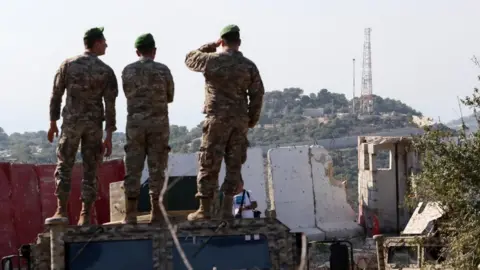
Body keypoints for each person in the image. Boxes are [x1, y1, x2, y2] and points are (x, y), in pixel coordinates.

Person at [184, 24, 265, 221]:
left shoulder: (211, 60)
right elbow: (257, 94)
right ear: (239, 42)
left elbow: (189, 59)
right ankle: (227, 210)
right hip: (239, 121)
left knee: (209, 162)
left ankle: (204, 209)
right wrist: (251, 120)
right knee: (234, 164)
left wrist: (210, 45)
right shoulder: (248, 66)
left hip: (217, 119)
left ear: (223, 41)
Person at [47, 27, 118, 225]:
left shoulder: (68, 65)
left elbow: (56, 95)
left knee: (64, 165)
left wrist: (53, 123)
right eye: (104, 42)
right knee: (91, 168)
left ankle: (61, 209)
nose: (106, 45)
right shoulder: (106, 71)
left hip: (71, 123)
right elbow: (110, 106)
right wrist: (109, 135)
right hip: (94, 126)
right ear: (96, 43)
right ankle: (86, 213)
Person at [121, 33, 174, 224]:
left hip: (135, 126)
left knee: (133, 168)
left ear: (137, 52)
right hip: (158, 125)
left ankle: (130, 214)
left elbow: (128, 93)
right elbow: (170, 96)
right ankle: (157, 213)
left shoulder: (127, 70)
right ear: (154, 51)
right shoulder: (163, 70)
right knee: (157, 169)